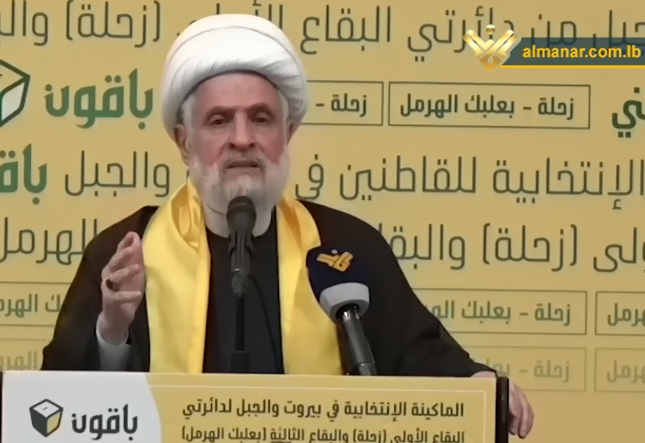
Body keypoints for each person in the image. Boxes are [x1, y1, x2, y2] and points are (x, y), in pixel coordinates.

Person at [41, 13, 533, 438]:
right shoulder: (128, 253)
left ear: (288, 131)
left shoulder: (343, 248)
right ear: (183, 141)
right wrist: (112, 331)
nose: (242, 139)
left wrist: (478, 385)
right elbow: (58, 407)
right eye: (219, 121)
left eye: (261, 119)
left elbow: (415, 354)